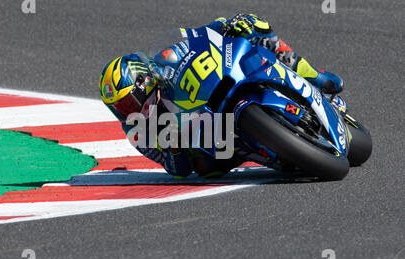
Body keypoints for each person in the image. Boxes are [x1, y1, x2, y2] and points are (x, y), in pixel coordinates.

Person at [99, 13, 344, 179]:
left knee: (258, 31)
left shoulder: (164, 60)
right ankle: (269, 149)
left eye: (128, 101)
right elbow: (178, 171)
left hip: (215, 90)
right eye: (119, 107)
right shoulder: (139, 131)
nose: (127, 110)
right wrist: (174, 146)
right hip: (213, 149)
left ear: (143, 81)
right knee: (207, 169)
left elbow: (198, 37)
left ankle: (316, 78)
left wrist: (225, 25)